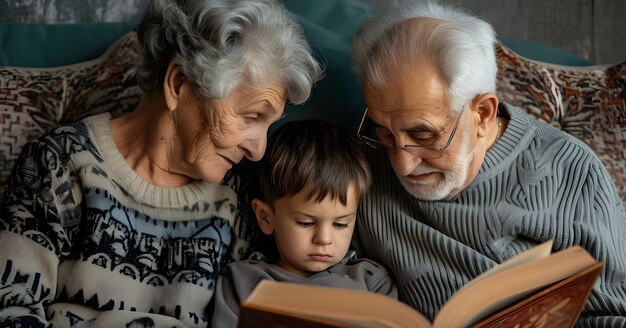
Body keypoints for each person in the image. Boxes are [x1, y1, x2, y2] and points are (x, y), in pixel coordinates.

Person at [0, 0, 322, 326]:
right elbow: (11, 308)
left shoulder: (241, 196)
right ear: (178, 84)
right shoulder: (60, 164)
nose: (259, 150)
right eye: (251, 117)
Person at [349, 1, 626, 326]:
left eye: (424, 135)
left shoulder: (571, 172)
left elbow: (614, 312)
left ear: (482, 114)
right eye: (384, 132)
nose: (403, 164)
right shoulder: (362, 165)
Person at [210, 119, 397, 327]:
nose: (324, 239)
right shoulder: (242, 283)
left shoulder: (372, 281)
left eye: (341, 224)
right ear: (265, 217)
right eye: (306, 222)